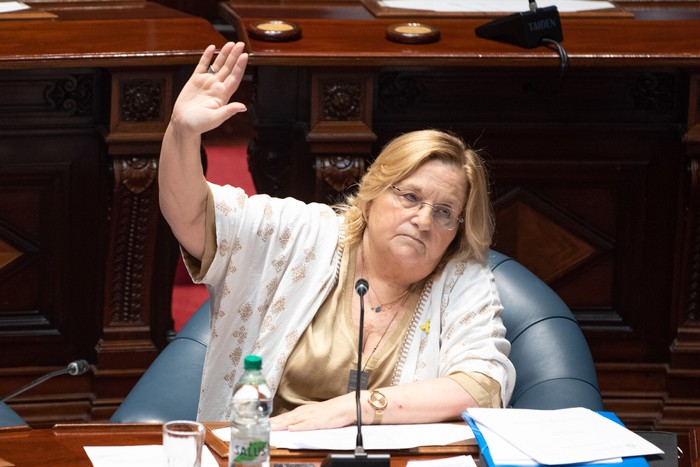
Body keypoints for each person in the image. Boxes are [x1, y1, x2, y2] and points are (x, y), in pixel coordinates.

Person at [159, 41, 516, 430]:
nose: (424, 219)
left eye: (445, 212)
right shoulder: (303, 234)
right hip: (267, 449)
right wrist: (181, 133)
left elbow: (482, 385)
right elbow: (192, 217)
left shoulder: (462, 279)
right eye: (410, 197)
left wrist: (354, 409)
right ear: (372, 194)